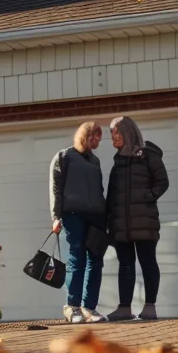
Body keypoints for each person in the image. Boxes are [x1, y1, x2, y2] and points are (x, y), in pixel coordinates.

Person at [103, 116, 169, 321]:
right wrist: (108, 223)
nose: (112, 136)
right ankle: (124, 308)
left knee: (148, 262)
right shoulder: (118, 162)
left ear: (128, 132)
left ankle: (150, 306)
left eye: (116, 131)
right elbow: (112, 195)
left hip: (145, 222)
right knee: (126, 265)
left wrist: (147, 197)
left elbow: (162, 182)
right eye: (111, 133)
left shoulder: (148, 155)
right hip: (121, 225)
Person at [50, 122, 107, 324]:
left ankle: (89, 308)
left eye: (100, 137)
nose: (98, 141)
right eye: (95, 137)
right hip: (73, 215)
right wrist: (56, 216)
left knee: (96, 262)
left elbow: (99, 190)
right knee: (77, 258)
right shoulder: (64, 157)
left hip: (96, 217)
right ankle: (72, 307)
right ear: (86, 135)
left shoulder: (95, 161)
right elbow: (55, 188)